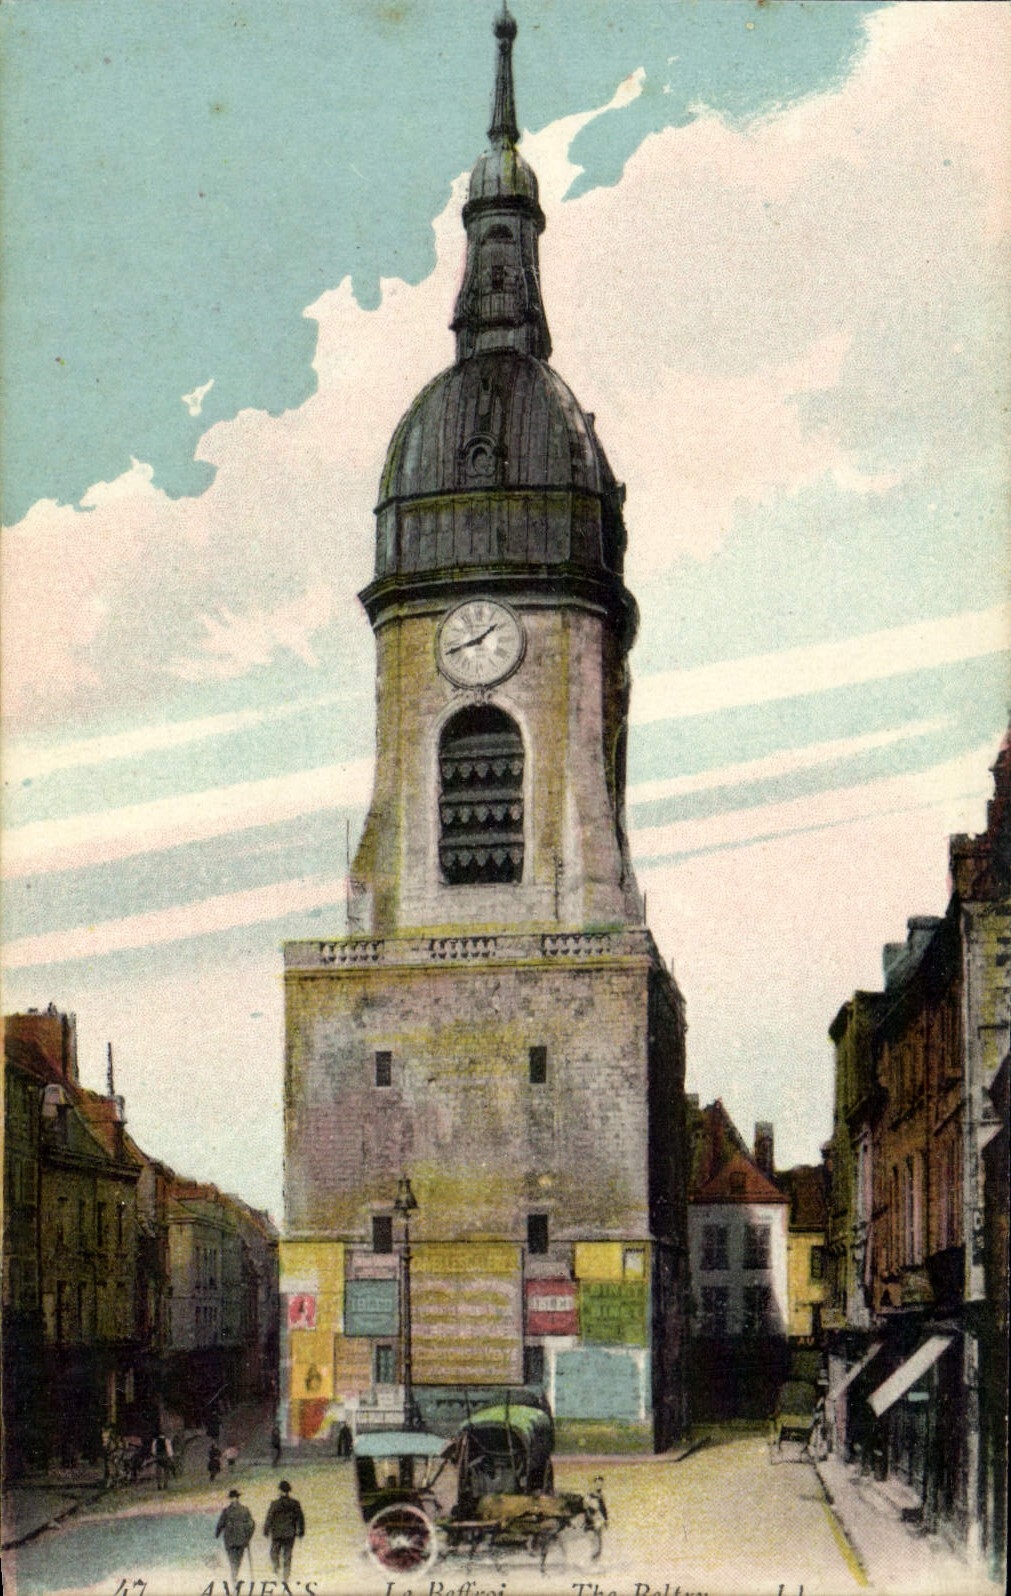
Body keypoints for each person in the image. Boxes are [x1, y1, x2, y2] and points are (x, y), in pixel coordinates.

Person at [263, 1479, 305, 1578]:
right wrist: (301, 1531)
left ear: (280, 1491)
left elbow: (269, 1517)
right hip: (290, 1534)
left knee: (273, 1553)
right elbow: (300, 1518)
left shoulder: (275, 1504)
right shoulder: (295, 1503)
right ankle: (286, 1577)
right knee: (287, 1555)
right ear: (288, 1491)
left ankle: (277, 1567)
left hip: (277, 1534)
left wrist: (266, 1530)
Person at [216, 1487, 255, 1581]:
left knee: (232, 1561)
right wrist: (248, 1537)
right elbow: (251, 1525)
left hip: (230, 1541)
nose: (233, 1499)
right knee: (237, 1561)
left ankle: (234, 1577)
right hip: (241, 1541)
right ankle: (235, 1576)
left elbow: (220, 1524)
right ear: (237, 1498)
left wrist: (217, 1533)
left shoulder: (226, 1511)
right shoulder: (244, 1510)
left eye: (233, 1498)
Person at [582, 1475, 607, 1561]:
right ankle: (591, 1560)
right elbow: (586, 1508)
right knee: (593, 1540)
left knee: (599, 1540)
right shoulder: (589, 1495)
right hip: (591, 1520)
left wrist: (606, 1520)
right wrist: (590, 1518)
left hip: (599, 1520)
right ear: (594, 1484)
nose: (599, 1486)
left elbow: (603, 1508)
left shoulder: (600, 1495)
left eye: (601, 1484)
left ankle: (596, 1559)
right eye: (597, 1484)